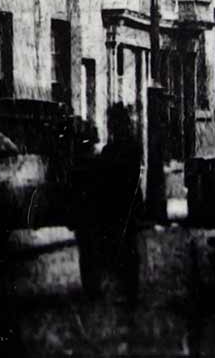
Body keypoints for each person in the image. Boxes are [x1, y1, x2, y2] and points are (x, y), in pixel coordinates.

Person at [79, 104, 142, 303]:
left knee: (120, 246)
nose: (109, 127)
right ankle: (129, 290)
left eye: (111, 123)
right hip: (127, 204)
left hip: (119, 204)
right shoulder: (131, 145)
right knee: (127, 247)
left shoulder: (118, 148)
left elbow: (106, 174)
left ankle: (123, 290)